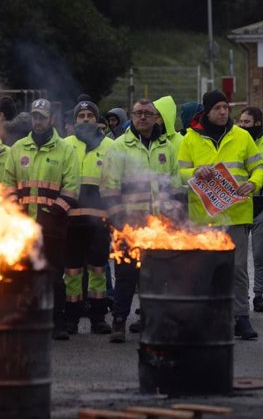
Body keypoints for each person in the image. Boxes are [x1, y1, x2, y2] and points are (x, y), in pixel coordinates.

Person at [178, 90, 263, 340]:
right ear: (207, 111)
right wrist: (196, 171)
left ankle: (241, 318)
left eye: (226, 107)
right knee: (205, 270)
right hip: (203, 215)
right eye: (217, 108)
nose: (223, 112)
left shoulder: (241, 136)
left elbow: (259, 167)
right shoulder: (190, 139)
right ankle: (208, 318)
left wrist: (253, 183)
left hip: (236, 214)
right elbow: (181, 172)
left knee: (237, 269)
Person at [102, 98, 184, 343]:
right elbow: (108, 187)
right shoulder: (119, 147)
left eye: (148, 113)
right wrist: (118, 220)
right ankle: (119, 322)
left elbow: (175, 184)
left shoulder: (166, 147)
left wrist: (175, 218)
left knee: (155, 277)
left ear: (157, 117)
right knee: (126, 276)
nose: (143, 117)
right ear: (132, 116)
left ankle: (150, 321)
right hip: (128, 224)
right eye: (138, 113)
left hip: (160, 226)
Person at [2, 98, 80, 341]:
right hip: (22, 227)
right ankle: (26, 320)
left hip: (53, 227)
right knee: (23, 275)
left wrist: (54, 214)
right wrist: (16, 214)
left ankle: (57, 323)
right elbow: (7, 185)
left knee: (54, 276)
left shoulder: (65, 149)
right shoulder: (18, 149)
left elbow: (72, 188)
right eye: (35, 116)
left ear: (52, 119)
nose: (38, 121)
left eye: (42, 117)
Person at [63, 98, 114, 335]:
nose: (85, 120)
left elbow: (115, 185)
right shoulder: (65, 146)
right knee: (72, 271)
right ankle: (71, 318)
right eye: (81, 117)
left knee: (98, 271)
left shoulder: (110, 147)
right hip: (70, 221)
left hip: (99, 222)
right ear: (74, 121)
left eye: (90, 116)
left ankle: (98, 318)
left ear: (97, 120)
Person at [237, 107, 263, 313]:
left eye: (246, 122)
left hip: (261, 208)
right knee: (240, 258)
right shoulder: (238, 141)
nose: (242, 125)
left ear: (257, 123)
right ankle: (242, 293)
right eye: (240, 121)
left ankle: (259, 295)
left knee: (259, 256)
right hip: (239, 207)